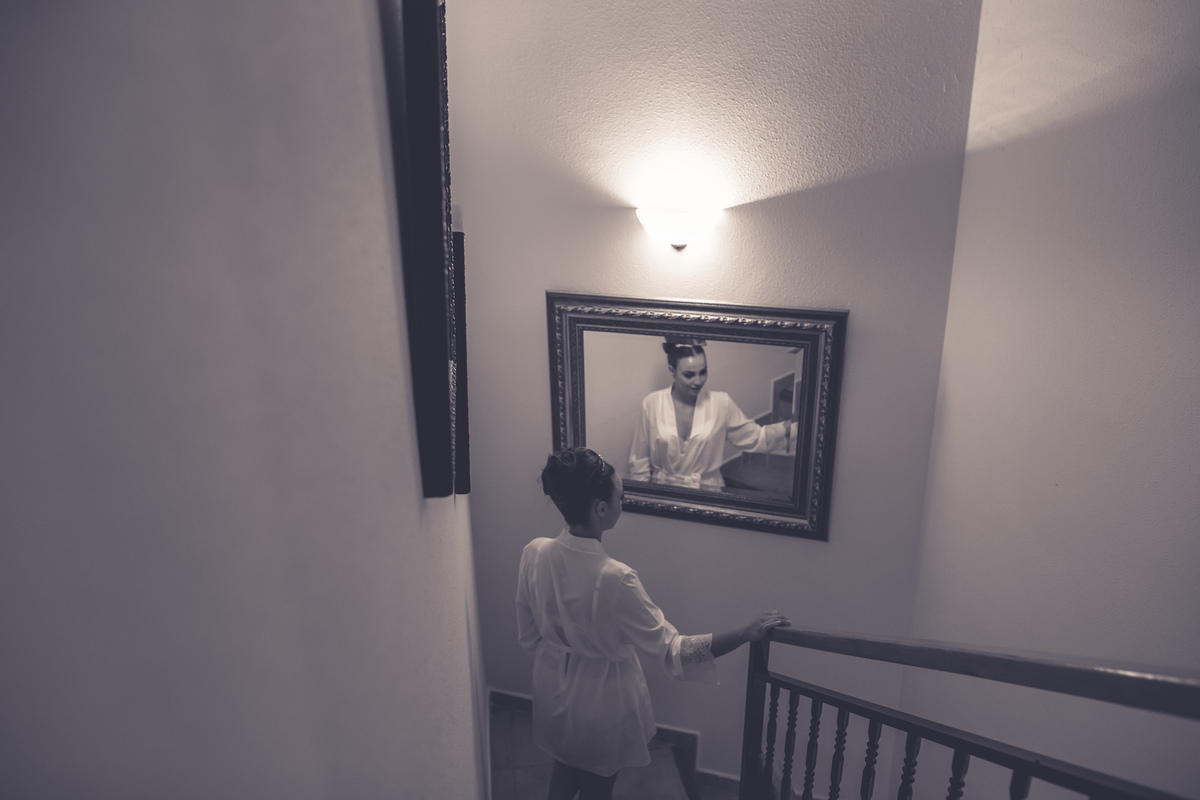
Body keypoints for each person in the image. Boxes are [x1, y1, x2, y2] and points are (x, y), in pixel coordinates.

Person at [518, 447, 791, 800]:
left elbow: (529, 636)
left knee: (565, 769)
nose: (623, 502)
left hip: (552, 689)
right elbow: (675, 651)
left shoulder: (534, 552)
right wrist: (744, 633)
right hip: (600, 703)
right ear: (601, 508)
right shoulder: (616, 579)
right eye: (621, 496)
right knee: (597, 790)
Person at [628, 338, 799, 489]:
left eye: (703, 372)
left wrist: (794, 429)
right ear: (672, 371)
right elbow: (639, 463)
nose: (698, 381)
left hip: (707, 490)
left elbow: (755, 438)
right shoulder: (652, 403)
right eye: (689, 375)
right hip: (663, 491)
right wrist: (645, 500)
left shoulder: (721, 403)